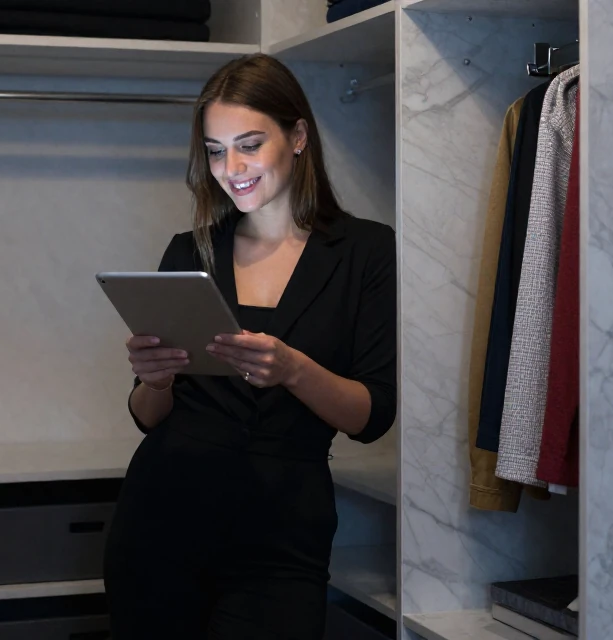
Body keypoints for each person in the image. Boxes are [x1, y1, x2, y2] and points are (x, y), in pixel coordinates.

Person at [103, 53, 397, 640]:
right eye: (215, 150)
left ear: (298, 137)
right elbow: (145, 416)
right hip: (162, 519)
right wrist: (154, 380)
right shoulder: (189, 253)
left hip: (283, 533)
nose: (230, 167)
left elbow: (371, 416)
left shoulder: (365, 252)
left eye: (248, 144)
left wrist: (293, 369)